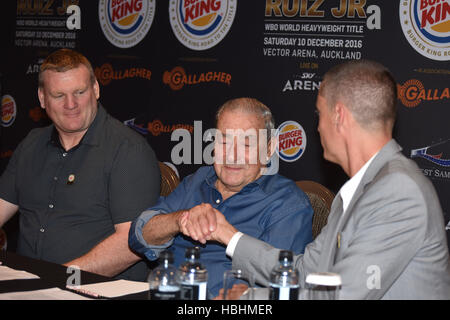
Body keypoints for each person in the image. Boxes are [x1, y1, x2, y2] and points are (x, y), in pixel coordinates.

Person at [199, 60, 450, 299]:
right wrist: (230, 236)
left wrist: (250, 297)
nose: (317, 127)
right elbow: (307, 270)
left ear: (339, 116)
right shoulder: (363, 189)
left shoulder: (398, 191)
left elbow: (342, 296)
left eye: (319, 113)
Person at [0, 49, 160, 281]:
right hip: (30, 286)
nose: (71, 104)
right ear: (42, 98)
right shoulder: (32, 144)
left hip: (95, 289)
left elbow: (132, 243)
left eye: (79, 92)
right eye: (58, 95)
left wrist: (59, 278)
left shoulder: (127, 150)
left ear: (95, 90)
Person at [129, 97, 314, 297]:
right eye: (224, 141)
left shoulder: (287, 204)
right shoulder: (197, 181)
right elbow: (140, 236)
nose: (232, 155)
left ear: (269, 149)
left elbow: (284, 283)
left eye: (246, 144)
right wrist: (181, 219)